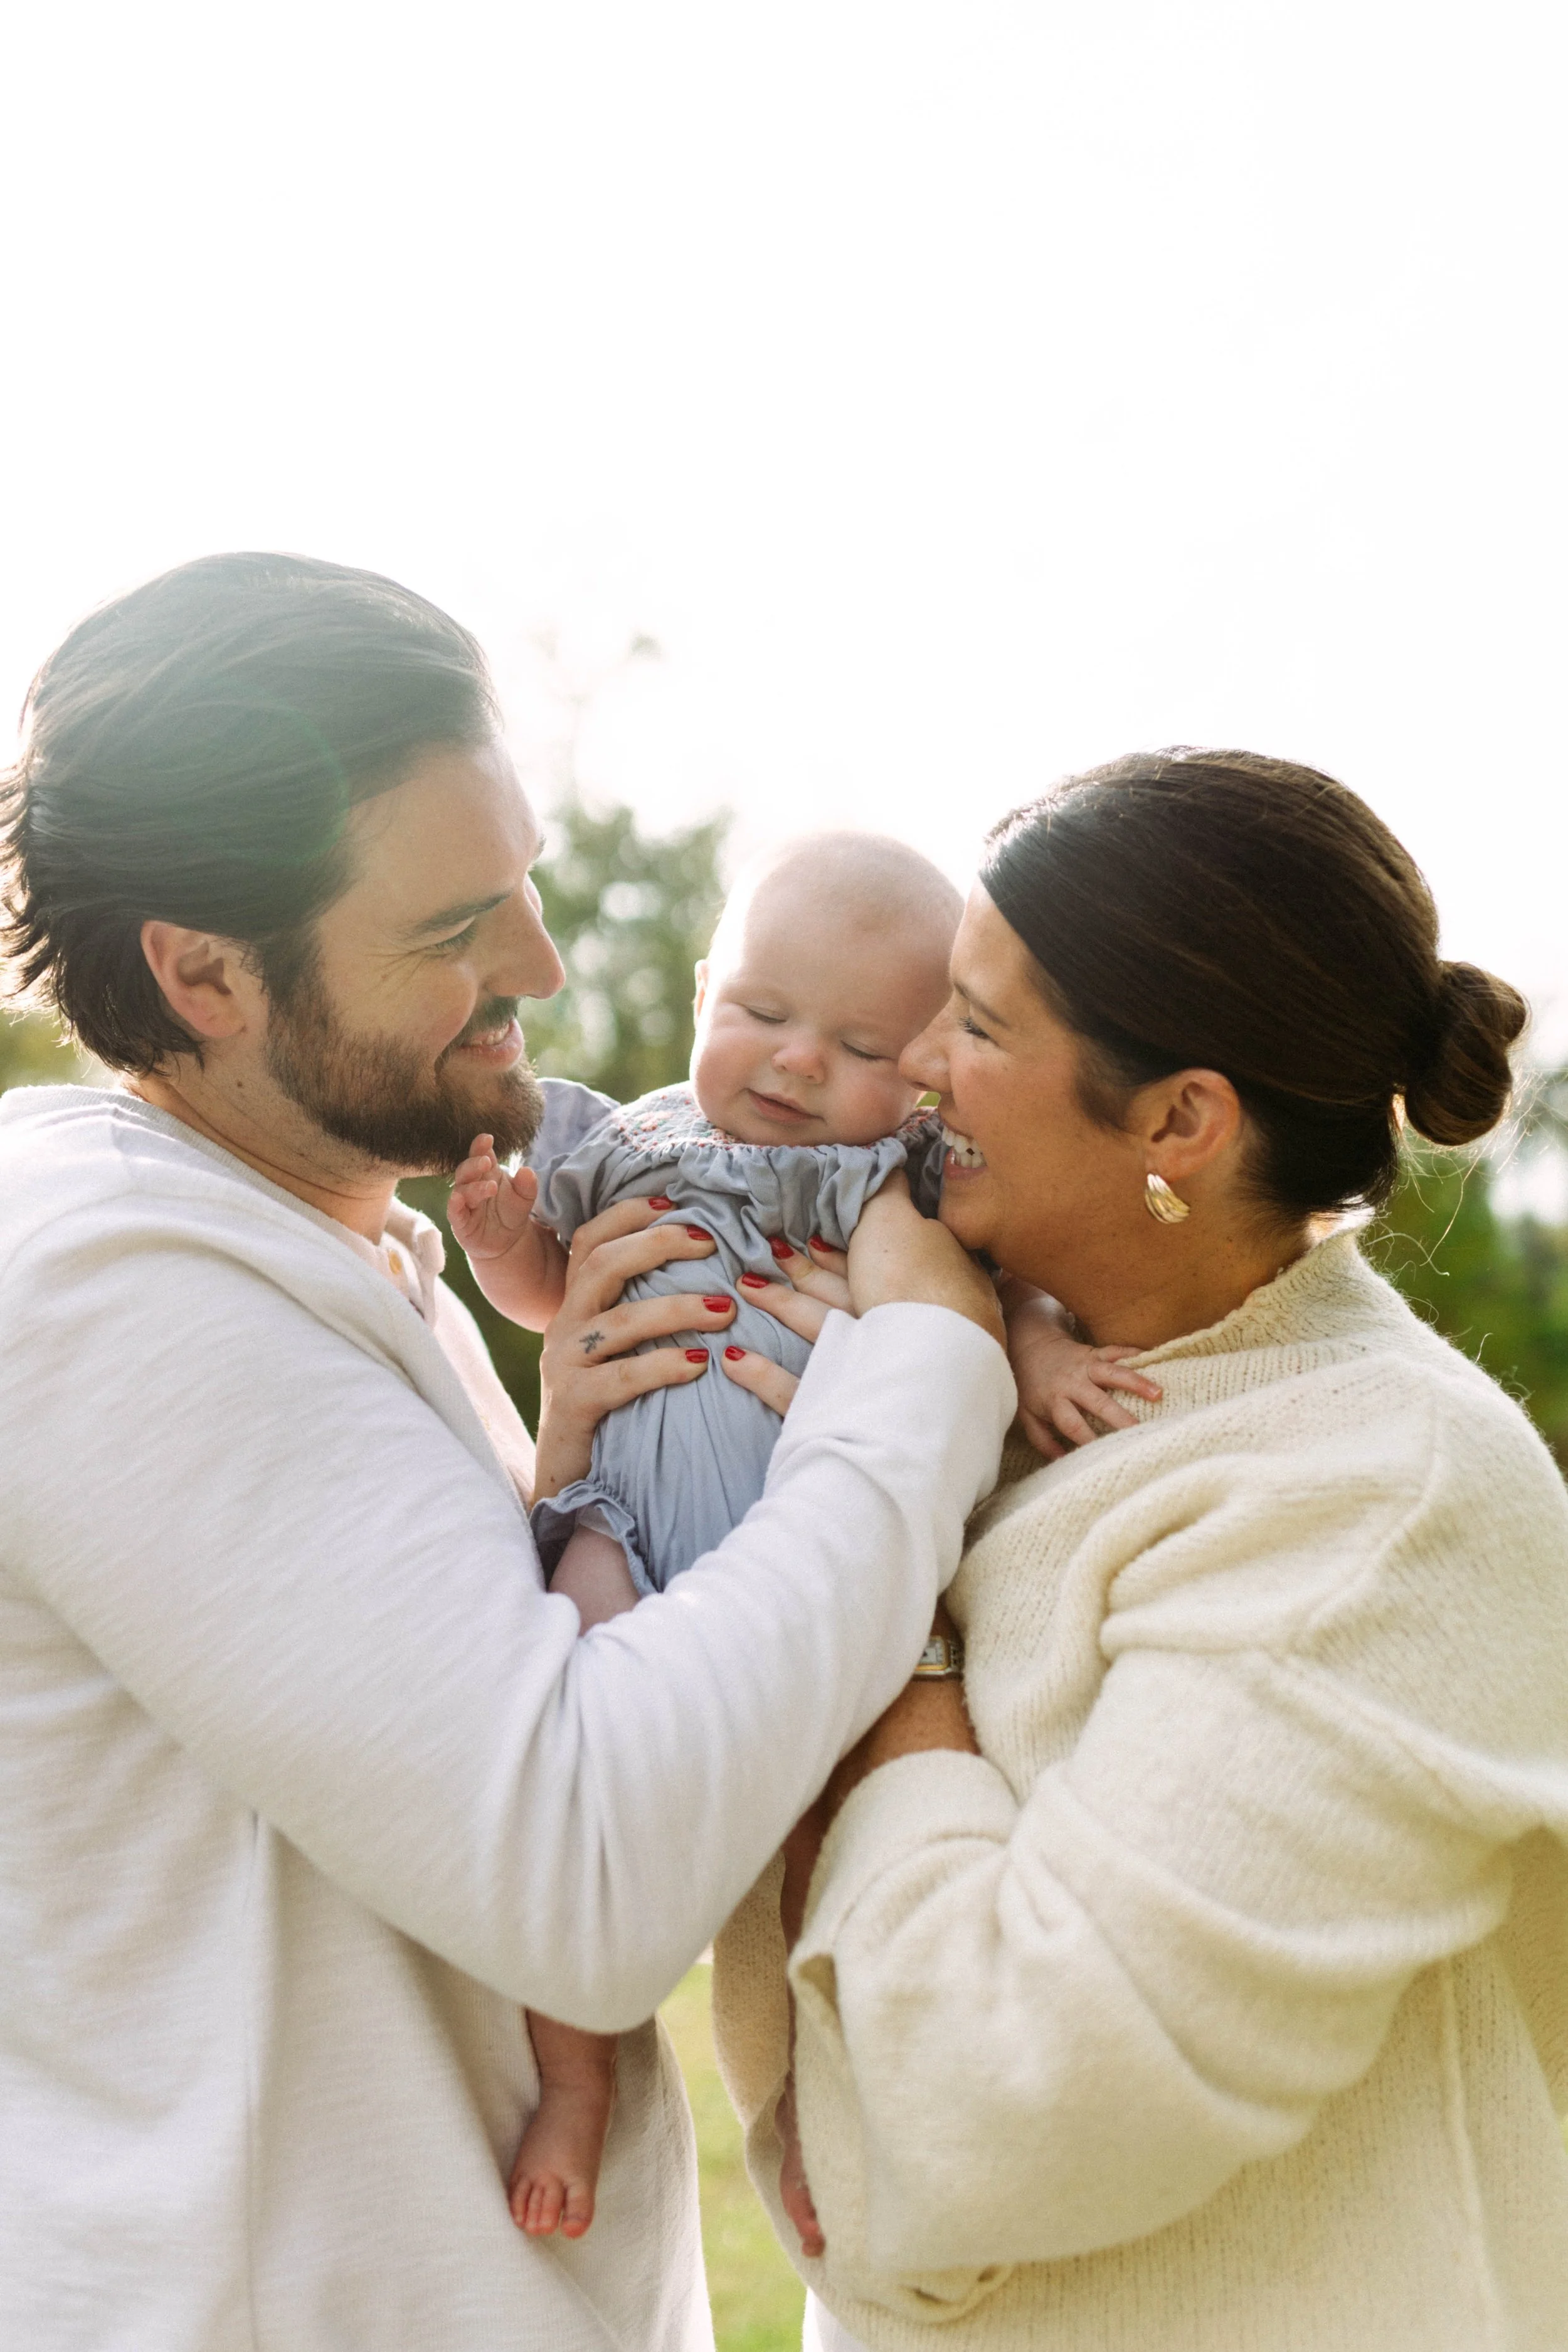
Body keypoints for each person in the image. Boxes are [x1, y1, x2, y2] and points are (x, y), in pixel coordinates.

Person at [0, 551, 1018, 2352]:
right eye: (452, 924)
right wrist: (925, 1365)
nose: (538, 961)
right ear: (203, 970)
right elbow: (592, 1876)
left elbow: (473, 1707)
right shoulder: (106, 1273)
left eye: (524, 878)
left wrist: (569, 1462)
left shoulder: (344, 1249)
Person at [712, 748, 1568, 2352]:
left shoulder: (1379, 1490)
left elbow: (1011, 2100)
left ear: (1179, 1120)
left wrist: (890, 1620)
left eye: (975, 1025)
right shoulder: (962, 1372)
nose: (909, 1065)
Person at [452, 830, 1153, 2239]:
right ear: (711, 985)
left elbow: (956, 1312)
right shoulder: (619, 1139)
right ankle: (575, 2080)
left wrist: (1037, 1354)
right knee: (548, 1744)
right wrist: (498, 1247)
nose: (792, 1062)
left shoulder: (886, 1187)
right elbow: (549, 1298)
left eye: (858, 1042)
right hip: (626, 1530)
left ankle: (827, 2126)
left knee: (830, 1860)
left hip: (809, 1562)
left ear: (927, 1071)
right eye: (761, 1014)